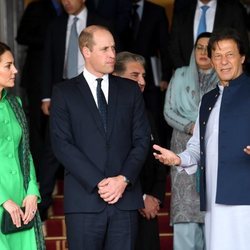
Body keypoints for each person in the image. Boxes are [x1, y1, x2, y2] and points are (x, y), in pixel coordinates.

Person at [49, 25, 150, 250]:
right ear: (86, 51)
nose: (112, 54)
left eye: (113, 48)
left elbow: (142, 140)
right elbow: (61, 144)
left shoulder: (130, 90)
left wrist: (123, 179)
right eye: (105, 49)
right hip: (84, 201)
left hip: (125, 200)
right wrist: (100, 183)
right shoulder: (64, 92)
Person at [153, 28, 250, 250]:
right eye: (217, 55)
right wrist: (178, 159)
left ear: (242, 57)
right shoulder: (208, 99)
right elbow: (197, 146)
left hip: (246, 196)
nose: (223, 61)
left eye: (230, 55)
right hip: (214, 200)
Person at [38, 0, 111, 222]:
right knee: (54, 147)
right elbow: (48, 60)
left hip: (92, 91)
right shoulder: (55, 24)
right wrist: (46, 95)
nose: (67, 2)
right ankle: (44, 204)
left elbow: (110, 61)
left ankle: (104, 192)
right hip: (62, 92)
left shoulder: (102, 23)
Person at [164, 32, 218, 250]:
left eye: (208, 48)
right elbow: (168, 111)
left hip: (213, 146)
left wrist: (205, 127)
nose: (203, 52)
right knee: (185, 210)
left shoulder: (224, 78)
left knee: (213, 211)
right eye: (199, 47)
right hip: (182, 147)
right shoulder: (180, 74)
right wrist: (192, 127)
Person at [113, 51, 167, 250]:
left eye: (144, 76)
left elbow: (158, 157)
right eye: (135, 76)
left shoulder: (147, 114)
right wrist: (141, 197)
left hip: (148, 209)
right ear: (116, 77)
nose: (142, 82)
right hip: (121, 206)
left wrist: (155, 196)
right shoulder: (107, 115)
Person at [0, 42, 44, 249]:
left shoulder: (14, 104)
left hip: (21, 199)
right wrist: (3, 201)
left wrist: (32, 191)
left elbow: (25, 153)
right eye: (8, 65)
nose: (15, 70)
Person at [16, 0, 64, 177]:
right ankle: (36, 175)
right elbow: (21, 36)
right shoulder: (37, 6)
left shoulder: (72, 10)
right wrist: (52, 37)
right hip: (37, 77)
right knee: (37, 127)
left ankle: (57, 172)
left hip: (61, 76)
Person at [123, 0, 173, 148]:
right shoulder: (122, 9)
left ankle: (159, 155)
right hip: (125, 74)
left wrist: (165, 75)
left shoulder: (156, 11)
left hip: (151, 75)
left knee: (154, 116)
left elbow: (164, 46)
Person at [170, 0, 249, 69]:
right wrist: (185, 72)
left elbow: (242, 44)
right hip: (187, 76)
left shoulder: (232, 10)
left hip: (224, 75)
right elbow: (174, 47)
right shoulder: (182, 11)